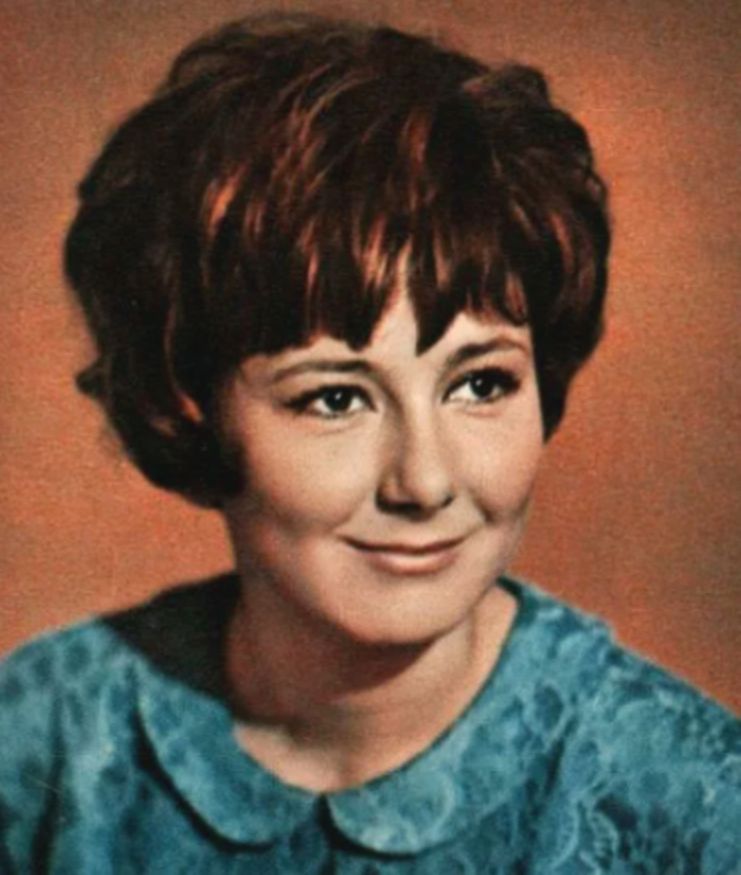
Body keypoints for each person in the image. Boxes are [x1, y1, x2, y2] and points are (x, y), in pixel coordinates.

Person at [0, 13, 738, 873]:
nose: (424, 480)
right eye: (336, 397)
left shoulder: (693, 803)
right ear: (187, 405)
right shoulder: (42, 739)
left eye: (480, 384)